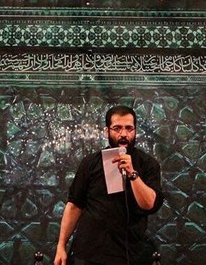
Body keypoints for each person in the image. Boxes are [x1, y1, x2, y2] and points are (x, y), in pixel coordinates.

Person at [53, 105, 164, 265]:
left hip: (129, 254)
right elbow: (74, 205)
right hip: (89, 252)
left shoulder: (148, 164)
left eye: (129, 128)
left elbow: (149, 204)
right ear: (107, 131)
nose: (123, 134)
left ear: (135, 131)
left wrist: (132, 174)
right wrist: (61, 246)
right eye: (117, 128)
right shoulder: (90, 162)